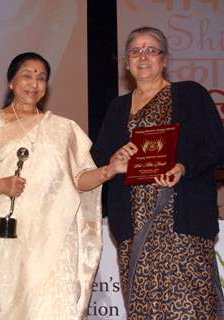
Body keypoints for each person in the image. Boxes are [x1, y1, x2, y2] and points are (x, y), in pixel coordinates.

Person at [0, 52, 122, 320]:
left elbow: (80, 179)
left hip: (57, 233)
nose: (34, 83)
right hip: (7, 233)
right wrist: (0, 185)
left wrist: (110, 170)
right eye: (26, 76)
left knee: (57, 306)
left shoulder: (64, 128)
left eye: (41, 78)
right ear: (11, 82)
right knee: (10, 307)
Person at [91, 26, 224, 319]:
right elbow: (98, 159)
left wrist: (184, 167)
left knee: (192, 309)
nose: (143, 56)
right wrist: (113, 159)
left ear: (164, 61)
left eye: (152, 50)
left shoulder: (190, 95)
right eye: (135, 51)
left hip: (183, 226)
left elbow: (217, 147)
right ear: (127, 63)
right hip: (135, 229)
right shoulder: (117, 108)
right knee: (145, 312)